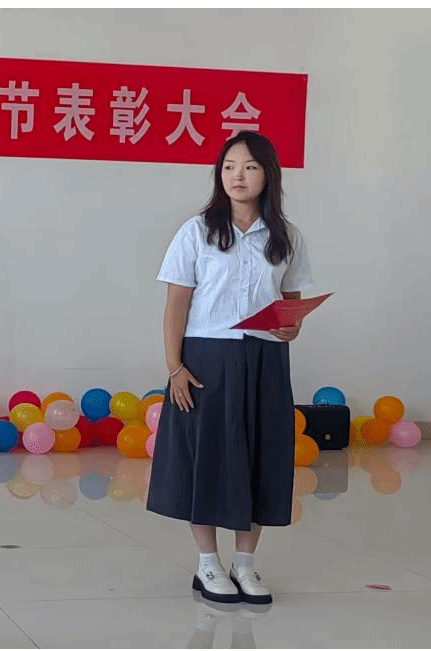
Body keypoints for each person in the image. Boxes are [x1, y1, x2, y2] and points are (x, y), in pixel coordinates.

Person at [146, 131, 312, 606]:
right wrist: (174, 367)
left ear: (268, 175)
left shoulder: (286, 236)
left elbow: (291, 302)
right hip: (207, 358)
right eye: (229, 167)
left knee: (260, 457)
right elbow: (176, 304)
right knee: (207, 458)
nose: (238, 176)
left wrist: (292, 329)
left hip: (265, 358)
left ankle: (244, 564)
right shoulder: (196, 231)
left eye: (250, 167)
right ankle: (207, 564)